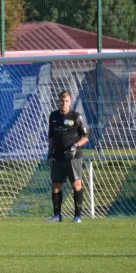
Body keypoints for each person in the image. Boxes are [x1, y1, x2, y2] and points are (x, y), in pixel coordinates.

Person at [47, 91, 90, 223]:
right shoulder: (53, 116)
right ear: (58, 101)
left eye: (66, 101)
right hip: (57, 156)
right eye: (61, 101)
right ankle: (57, 215)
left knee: (76, 184)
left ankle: (77, 216)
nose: (63, 103)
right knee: (56, 185)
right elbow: (51, 137)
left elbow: (86, 136)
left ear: (70, 102)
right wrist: (50, 151)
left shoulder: (76, 117)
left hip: (73, 156)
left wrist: (75, 145)